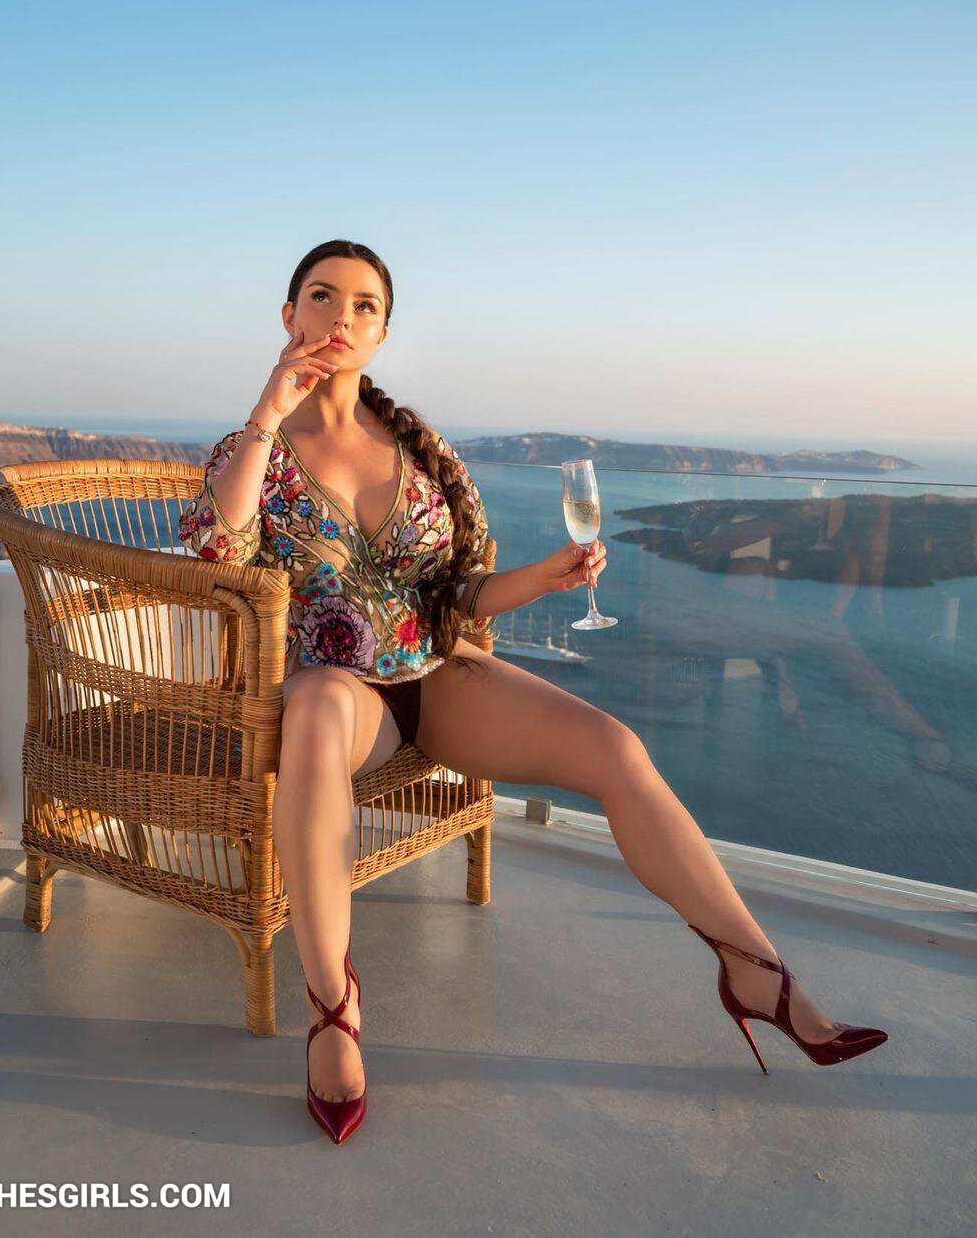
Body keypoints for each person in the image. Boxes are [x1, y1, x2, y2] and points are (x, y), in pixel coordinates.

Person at [179, 240, 888, 1145]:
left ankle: (756, 971)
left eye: (363, 305)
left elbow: (459, 595)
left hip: (435, 677)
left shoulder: (419, 450)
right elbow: (214, 551)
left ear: (383, 331)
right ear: (289, 316)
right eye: (322, 297)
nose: (341, 317)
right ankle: (333, 1006)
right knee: (317, 702)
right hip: (338, 697)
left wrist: (545, 578)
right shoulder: (256, 448)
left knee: (616, 749)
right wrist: (267, 411)